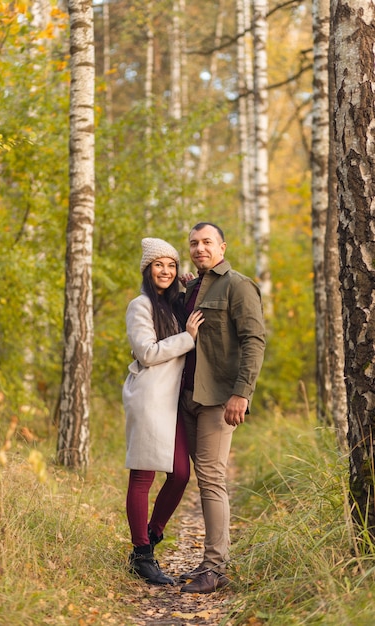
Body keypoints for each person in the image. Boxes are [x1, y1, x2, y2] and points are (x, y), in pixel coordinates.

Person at [178, 222, 266, 594]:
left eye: (207, 242)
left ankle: (214, 569)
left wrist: (241, 394)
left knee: (212, 479)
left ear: (222, 247)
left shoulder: (238, 285)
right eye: (194, 243)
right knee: (202, 478)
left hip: (219, 398)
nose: (200, 248)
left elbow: (254, 340)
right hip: (187, 397)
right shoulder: (195, 287)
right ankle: (211, 559)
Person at [123, 237, 204, 586]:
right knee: (143, 477)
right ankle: (142, 555)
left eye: (171, 265)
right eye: (159, 265)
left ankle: (152, 535)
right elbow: (147, 352)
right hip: (149, 397)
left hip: (171, 401)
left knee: (181, 473)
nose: (166, 271)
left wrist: (190, 287)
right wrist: (187, 337)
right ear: (147, 269)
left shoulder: (173, 305)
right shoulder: (139, 306)